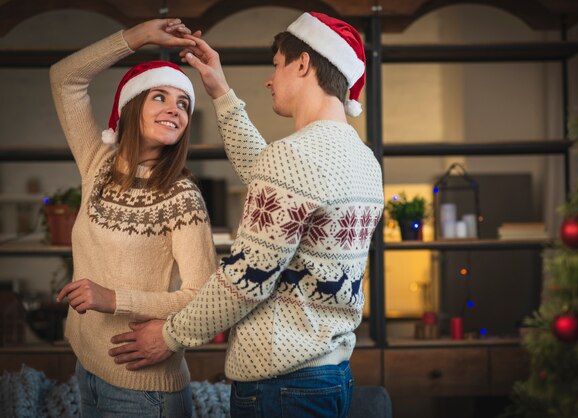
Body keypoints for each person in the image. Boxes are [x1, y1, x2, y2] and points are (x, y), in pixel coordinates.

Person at [109, 12, 384, 418]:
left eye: (276, 65)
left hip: (281, 387)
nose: (270, 80)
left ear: (303, 63)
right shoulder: (363, 160)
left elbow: (244, 282)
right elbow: (268, 173)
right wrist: (220, 91)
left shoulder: (294, 156)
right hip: (330, 377)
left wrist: (169, 336)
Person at [51, 19, 218, 417]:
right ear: (131, 105)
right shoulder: (98, 163)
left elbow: (204, 298)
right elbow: (64, 79)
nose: (174, 110)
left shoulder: (181, 195)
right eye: (159, 96)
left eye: (183, 103)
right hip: (87, 367)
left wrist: (113, 300)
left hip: (146, 388)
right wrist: (138, 37)